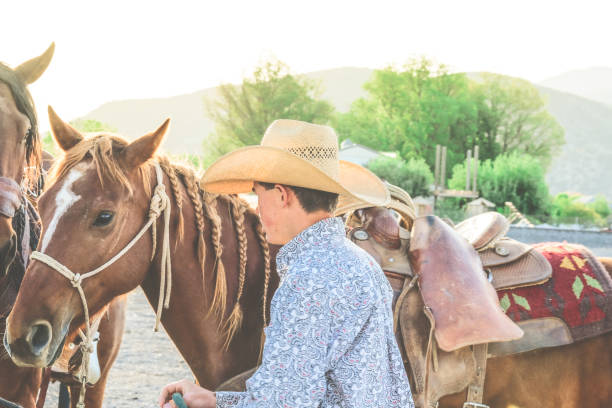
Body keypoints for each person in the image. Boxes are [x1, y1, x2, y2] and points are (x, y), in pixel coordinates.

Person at [159, 119, 414, 408]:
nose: (256, 207)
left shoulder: (309, 277)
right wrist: (215, 400)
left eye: (258, 193)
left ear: (281, 195)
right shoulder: (359, 262)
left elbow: (284, 404)